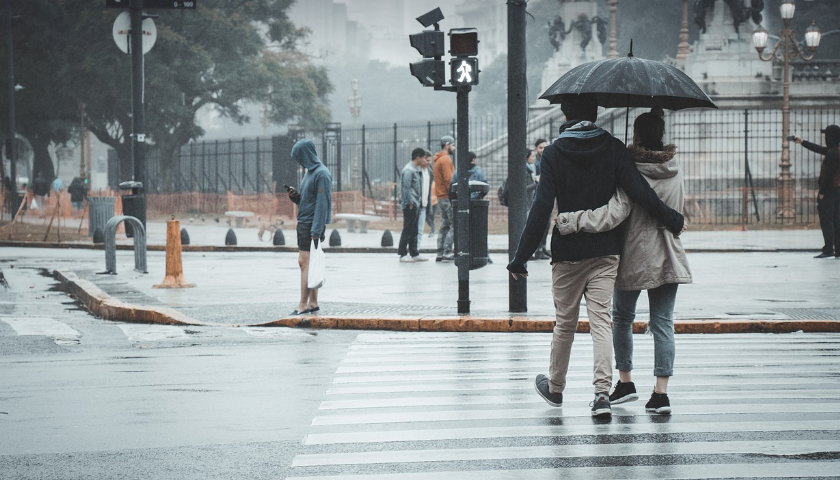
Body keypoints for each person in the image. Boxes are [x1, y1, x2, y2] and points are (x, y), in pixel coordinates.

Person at [506, 95, 684, 418]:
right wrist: (670, 216)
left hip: (568, 253)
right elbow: (639, 192)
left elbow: (541, 208)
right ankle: (602, 394)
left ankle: (556, 388)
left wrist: (520, 257)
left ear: (565, 113)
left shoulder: (554, 153)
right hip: (606, 252)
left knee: (565, 323)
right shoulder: (614, 148)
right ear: (597, 112)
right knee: (602, 321)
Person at [554, 110, 693, 415]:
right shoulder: (675, 166)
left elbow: (618, 211)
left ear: (637, 134)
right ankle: (660, 394)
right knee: (663, 324)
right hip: (669, 252)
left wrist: (574, 221)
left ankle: (626, 381)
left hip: (633, 252)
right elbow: (678, 208)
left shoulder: (630, 168)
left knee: (621, 320)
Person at [286, 139, 332, 316]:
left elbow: (322, 205)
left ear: (307, 154)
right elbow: (309, 201)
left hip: (311, 225)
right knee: (309, 264)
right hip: (305, 222)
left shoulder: (322, 174)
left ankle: (302, 304)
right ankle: (313, 302)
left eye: (300, 157)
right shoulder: (310, 173)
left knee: (304, 263)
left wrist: (316, 230)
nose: (299, 161)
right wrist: (296, 198)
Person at [793, 125, 840, 258]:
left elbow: (829, 175)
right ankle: (838, 250)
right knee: (837, 220)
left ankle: (828, 249)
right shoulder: (835, 150)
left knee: (827, 221)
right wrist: (802, 142)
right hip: (838, 190)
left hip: (830, 191)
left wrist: (822, 192)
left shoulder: (832, 153)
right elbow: (819, 149)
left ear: (830, 137)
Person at [398, 148, 429, 262]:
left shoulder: (415, 169)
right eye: (423, 158)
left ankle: (414, 253)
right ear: (418, 157)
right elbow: (405, 188)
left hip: (415, 203)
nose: (424, 160)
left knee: (414, 229)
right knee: (408, 229)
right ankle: (402, 254)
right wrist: (410, 202)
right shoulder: (408, 170)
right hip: (410, 204)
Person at [433, 135, 456, 262]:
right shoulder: (446, 160)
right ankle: (448, 251)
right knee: (455, 224)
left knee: (444, 224)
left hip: (440, 196)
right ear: (447, 145)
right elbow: (449, 180)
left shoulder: (437, 160)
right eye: (453, 145)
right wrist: (454, 195)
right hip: (447, 197)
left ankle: (440, 252)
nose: (455, 148)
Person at [533, 138, 552, 260]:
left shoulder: (548, 159)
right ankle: (539, 249)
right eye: (540, 147)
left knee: (547, 223)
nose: (543, 150)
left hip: (546, 194)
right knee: (540, 224)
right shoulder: (534, 162)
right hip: (537, 196)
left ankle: (543, 248)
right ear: (536, 149)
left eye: (545, 147)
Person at [416, 150, 433, 249]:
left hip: (424, 204)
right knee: (411, 230)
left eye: (430, 161)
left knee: (420, 230)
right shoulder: (416, 170)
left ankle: (416, 251)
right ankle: (408, 251)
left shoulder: (430, 172)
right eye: (427, 160)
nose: (428, 163)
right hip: (415, 204)